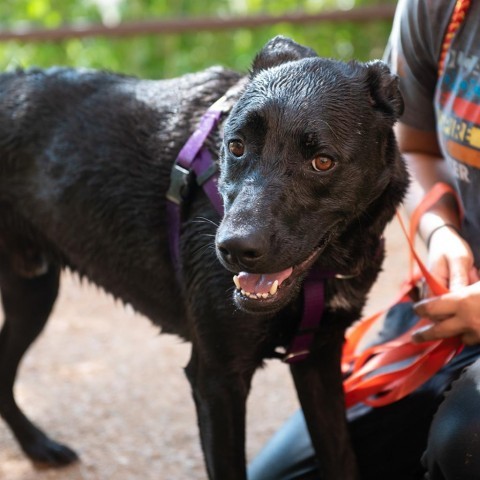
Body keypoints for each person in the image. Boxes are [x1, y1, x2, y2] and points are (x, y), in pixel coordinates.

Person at [248, 0, 480, 478]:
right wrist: (439, 232)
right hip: (453, 294)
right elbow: (412, 145)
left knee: (464, 441)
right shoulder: (441, 9)